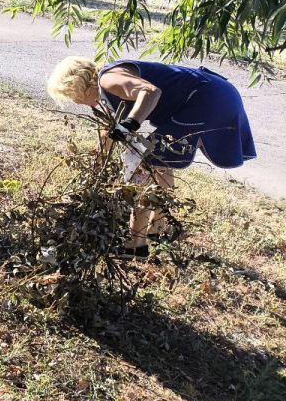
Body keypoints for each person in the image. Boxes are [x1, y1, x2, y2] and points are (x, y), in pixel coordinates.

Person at [47, 56, 256, 254]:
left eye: (72, 96)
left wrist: (130, 124)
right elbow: (106, 132)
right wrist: (98, 170)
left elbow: (150, 92)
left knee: (144, 165)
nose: (75, 102)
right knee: (161, 162)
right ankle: (159, 229)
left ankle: (135, 245)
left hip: (207, 98)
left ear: (79, 84)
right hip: (218, 93)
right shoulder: (104, 96)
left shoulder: (108, 79)